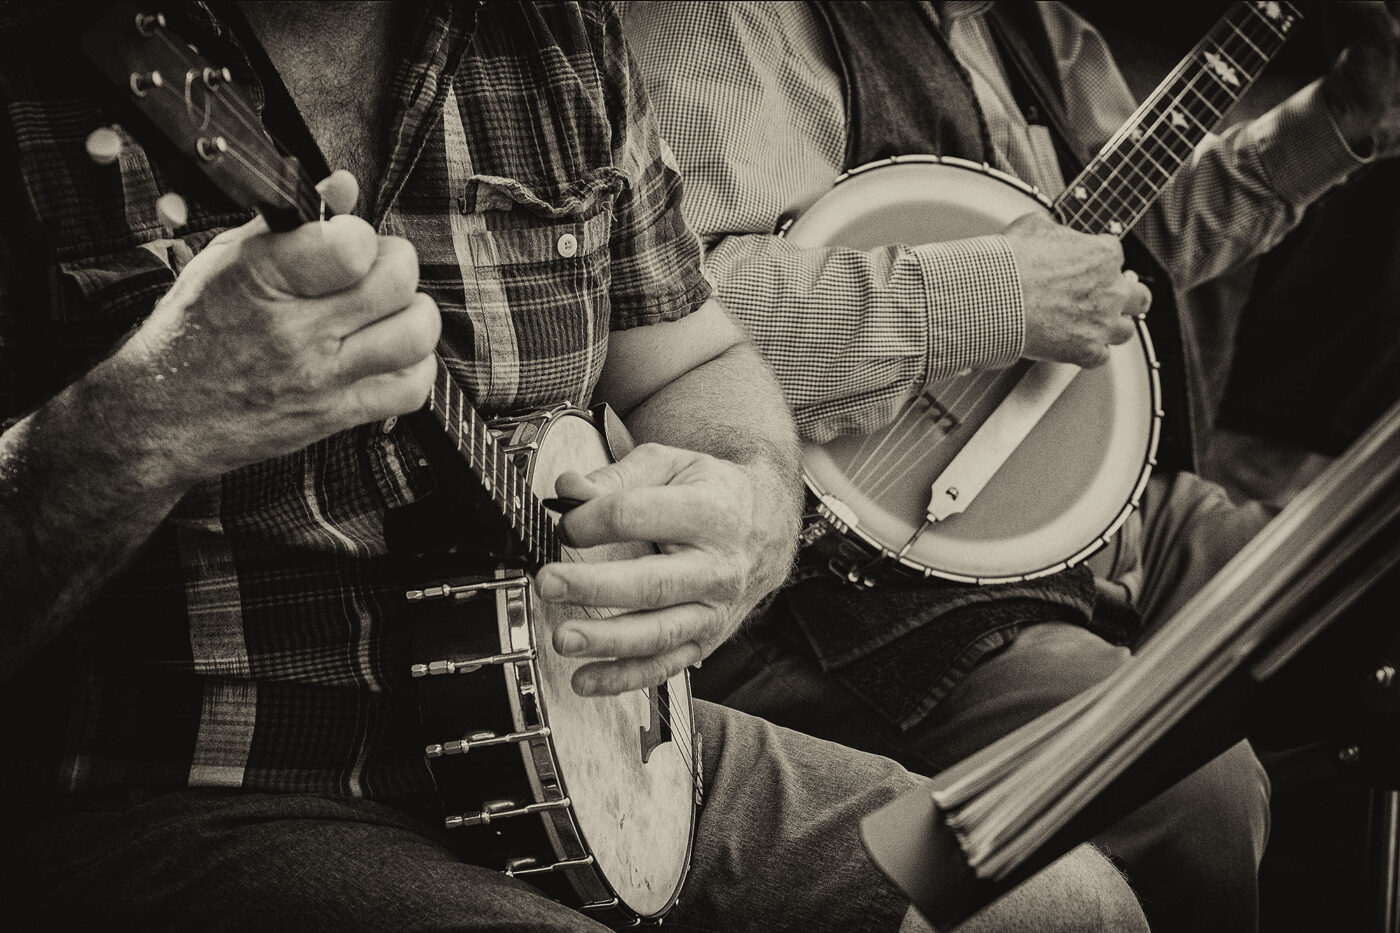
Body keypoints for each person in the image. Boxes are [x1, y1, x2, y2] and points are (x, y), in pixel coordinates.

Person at [0, 2, 1157, 931]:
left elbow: (696, 362)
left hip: (610, 733)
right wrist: (151, 414)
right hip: (206, 791)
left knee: (1055, 900)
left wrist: (740, 506)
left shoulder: (553, 35)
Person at [622, 1, 1400, 931]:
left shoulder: (1040, 36)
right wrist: (994, 293)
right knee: (1201, 793)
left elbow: (1127, 250)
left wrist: (1332, 125)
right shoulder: (734, 29)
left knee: (1362, 599)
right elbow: (670, 308)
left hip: (1092, 499)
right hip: (869, 580)